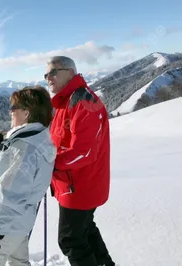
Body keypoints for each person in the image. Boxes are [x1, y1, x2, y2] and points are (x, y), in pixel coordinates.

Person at [45, 56, 115, 266]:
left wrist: (51, 163)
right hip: (72, 184)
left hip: (80, 187)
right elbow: (58, 139)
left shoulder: (83, 102)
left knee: (71, 240)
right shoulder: (66, 101)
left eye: (54, 72)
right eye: (46, 74)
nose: (49, 78)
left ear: (70, 72)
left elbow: (84, 151)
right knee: (85, 230)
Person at [0, 86, 57, 266]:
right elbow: (14, 176)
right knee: (19, 263)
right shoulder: (38, 138)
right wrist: (2, 148)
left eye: (14, 108)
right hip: (20, 222)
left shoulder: (22, 149)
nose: (10, 112)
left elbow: (10, 198)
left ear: (26, 113)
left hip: (6, 226)